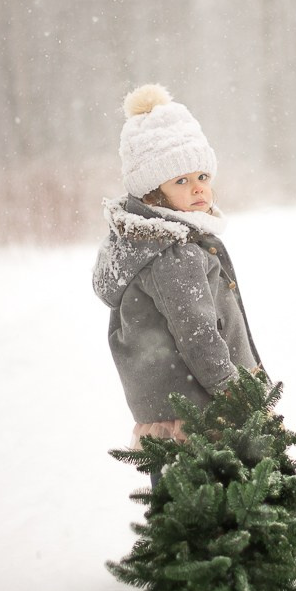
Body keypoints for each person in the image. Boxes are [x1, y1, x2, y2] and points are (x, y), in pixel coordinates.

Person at [93, 84, 264, 462]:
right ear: (153, 194)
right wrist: (234, 393)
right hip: (198, 414)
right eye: (181, 182)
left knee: (181, 511)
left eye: (202, 176)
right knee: (210, 514)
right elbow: (197, 333)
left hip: (172, 410)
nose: (199, 189)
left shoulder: (154, 241)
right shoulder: (173, 252)